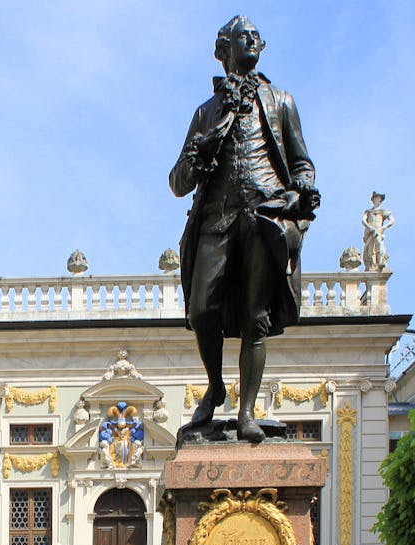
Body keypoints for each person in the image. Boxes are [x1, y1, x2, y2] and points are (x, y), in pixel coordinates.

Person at [170, 15, 319, 443]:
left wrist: (301, 189)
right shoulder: (206, 112)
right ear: (224, 48)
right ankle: (216, 386)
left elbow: (301, 161)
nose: (251, 40)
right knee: (201, 310)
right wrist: (198, 156)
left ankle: (247, 411)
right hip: (215, 219)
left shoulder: (281, 102)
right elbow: (177, 183)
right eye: (242, 36)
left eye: (256, 36)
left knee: (256, 318)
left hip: (264, 216)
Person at [361, 191, 394, 272]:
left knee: (379, 244)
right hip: (370, 231)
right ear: (373, 200)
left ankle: (380, 262)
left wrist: (384, 227)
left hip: (378, 230)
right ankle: (373, 263)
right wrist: (369, 227)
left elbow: (392, 220)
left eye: (380, 199)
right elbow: (363, 220)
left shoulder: (382, 211)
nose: (379, 201)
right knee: (371, 248)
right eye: (377, 199)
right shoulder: (369, 211)